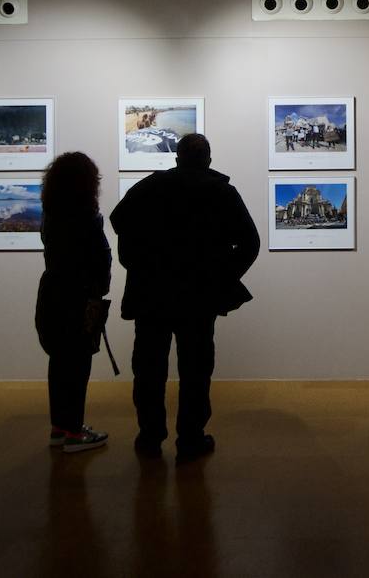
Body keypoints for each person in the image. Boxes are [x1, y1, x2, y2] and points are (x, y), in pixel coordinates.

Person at [110, 134, 259, 463]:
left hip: (151, 294)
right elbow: (250, 243)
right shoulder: (221, 192)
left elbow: (119, 222)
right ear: (208, 159)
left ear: (176, 158)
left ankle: (150, 436)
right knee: (196, 369)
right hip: (199, 296)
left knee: (148, 369)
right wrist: (223, 275)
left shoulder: (150, 187)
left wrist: (135, 262)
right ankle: (190, 438)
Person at [34, 151, 112, 454]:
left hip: (52, 292)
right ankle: (74, 433)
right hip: (78, 296)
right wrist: (100, 288)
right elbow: (99, 258)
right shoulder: (86, 218)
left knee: (59, 361)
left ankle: (60, 427)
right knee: (77, 364)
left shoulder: (50, 215)